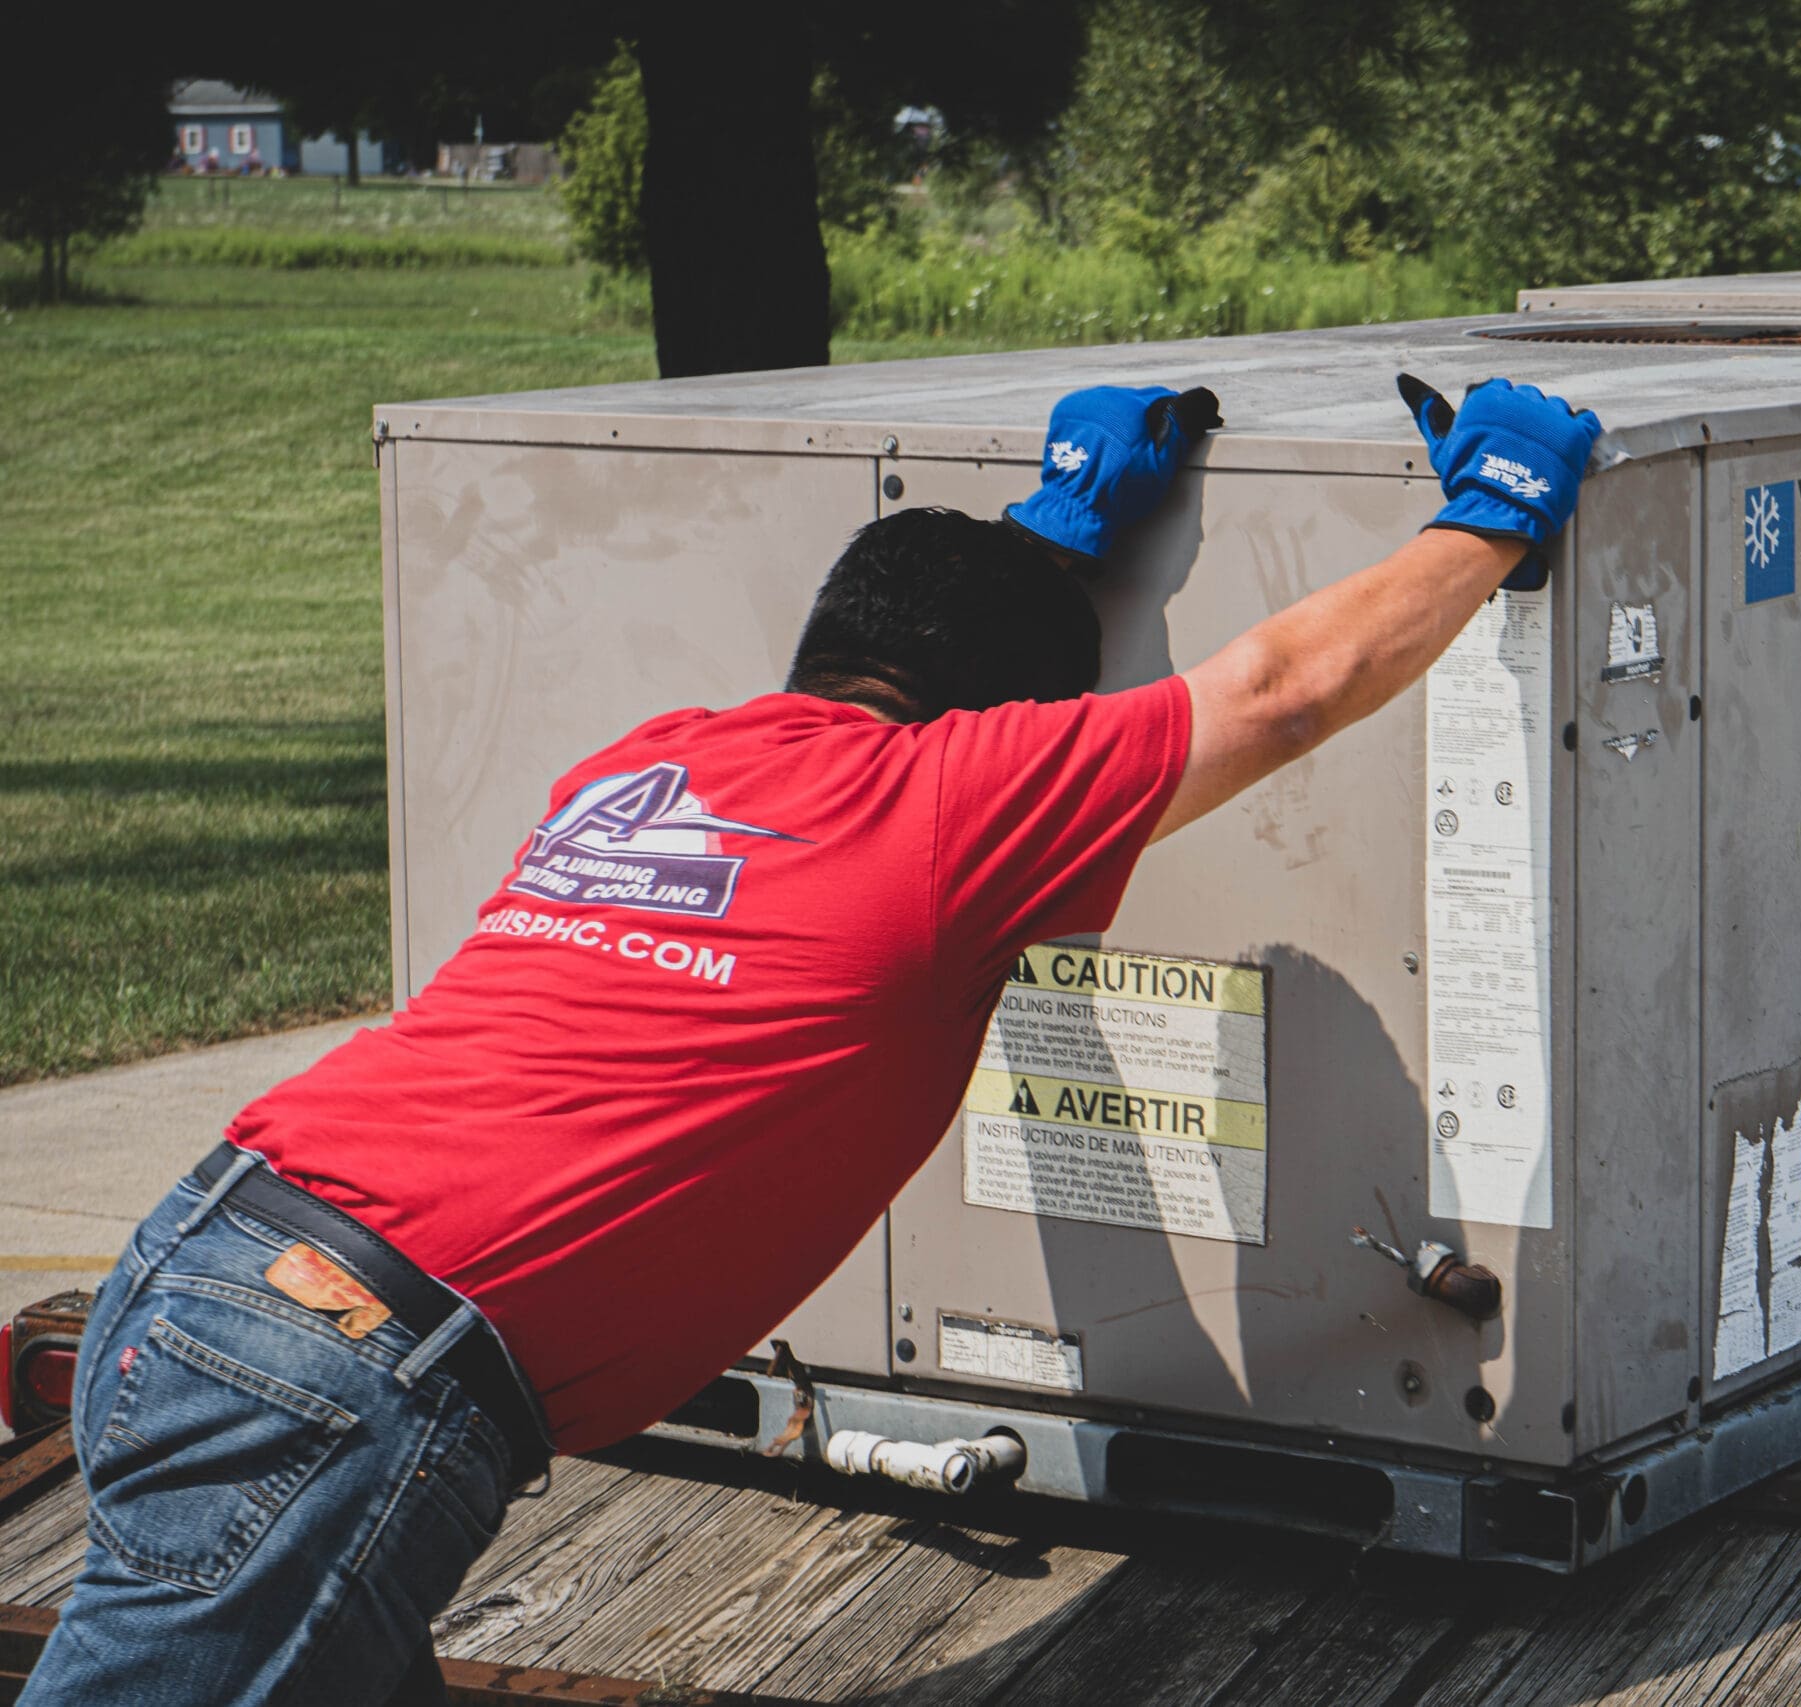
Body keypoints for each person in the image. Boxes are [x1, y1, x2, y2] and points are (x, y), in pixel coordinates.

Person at [22, 372, 1603, 1706]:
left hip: (205, 1267)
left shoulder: (654, 761)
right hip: (353, 1375)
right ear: (994, 725)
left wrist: (1038, 550)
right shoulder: (951, 805)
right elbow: (1283, 689)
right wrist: (1493, 514)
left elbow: (896, 708)